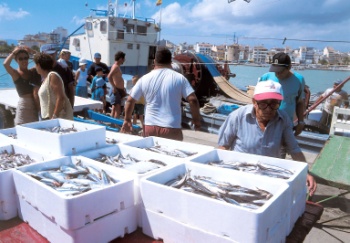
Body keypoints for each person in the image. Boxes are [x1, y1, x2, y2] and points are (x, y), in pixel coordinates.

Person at [218, 80, 317, 196]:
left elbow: (294, 149)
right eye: (263, 104)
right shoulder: (237, 116)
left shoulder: (283, 119)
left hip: (269, 177)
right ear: (254, 102)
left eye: (274, 104)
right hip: (240, 176)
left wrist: (305, 172)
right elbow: (222, 147)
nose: (269, 109)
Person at [121, 47, 201, 141]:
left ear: (154, 61)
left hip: (150, 127)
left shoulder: (144, 78)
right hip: (171, 127)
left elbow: (130, 100)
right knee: (172, 155)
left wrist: (127, 120)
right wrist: (196, 120)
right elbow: (193, 100)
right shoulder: (180, 78)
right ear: (171, 62)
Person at [259, 52, 306, 136]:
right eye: (275, 71)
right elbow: (256, 101)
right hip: (266, 124)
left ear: (289, 67)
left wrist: (301, 121)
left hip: (286, 125)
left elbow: (299, 102)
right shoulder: (266, 77)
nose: (277, 74)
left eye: (280, 71)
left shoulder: (299, 80)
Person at [3, 46, 42, 125]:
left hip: (36, 105)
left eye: (26, 58)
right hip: (24, 107)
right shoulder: (16, 74)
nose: (24, 60)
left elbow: (43, 61)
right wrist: (14, 52)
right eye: (20, 59)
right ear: (16, 60)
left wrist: (32, 51)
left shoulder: (33, 71)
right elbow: (5, 64)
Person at [33, 53, 73, 120]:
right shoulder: (45, 79)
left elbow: (60, 98)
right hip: (46, 117)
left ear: (39, 65)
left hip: (53, 118)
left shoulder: (52, 76)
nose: (35, 67)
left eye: (35, 65)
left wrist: (54, 117)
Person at [107, 51, 127, 118]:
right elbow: (109, 76)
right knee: (118, 110)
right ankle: (115, 124)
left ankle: (112, 123)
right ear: (121, 59)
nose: (124, 60)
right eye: (124, 58)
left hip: (119, 90)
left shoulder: (116, 66)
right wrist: (114, 87)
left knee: (114, 109)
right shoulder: (115, 67)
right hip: (116, 90)